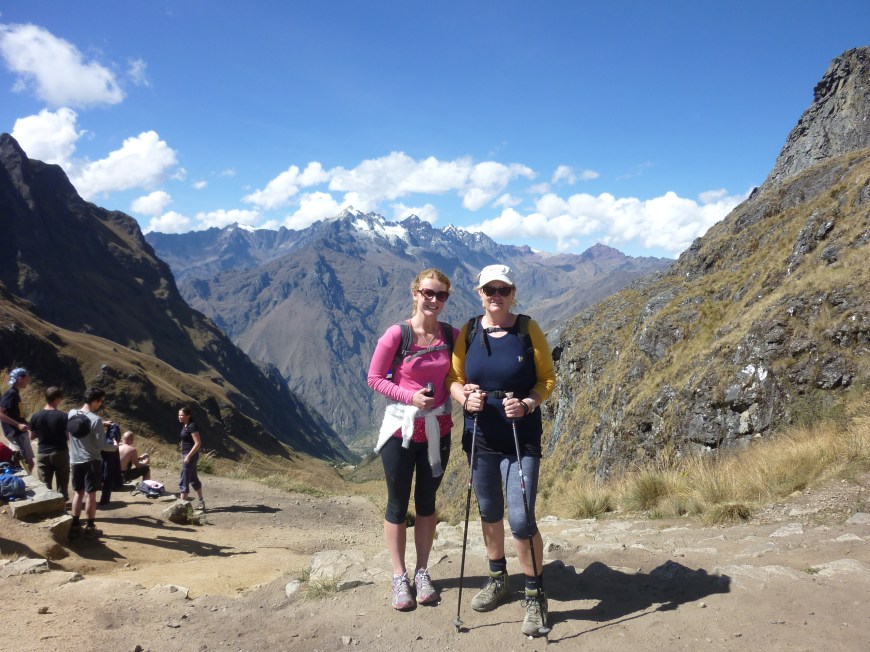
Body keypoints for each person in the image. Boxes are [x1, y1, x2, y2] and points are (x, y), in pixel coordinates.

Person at [447, 264, 557, 637]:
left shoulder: (528, 330)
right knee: (490, 511)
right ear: (479, 293)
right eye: (489, 290)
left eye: (502, 290)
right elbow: (454, 379)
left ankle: (535, 594)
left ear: (513, 293)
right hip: (480, 436)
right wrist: (466, 399)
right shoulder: (469, 331)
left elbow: (547, 380)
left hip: (520, 437)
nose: (496, 296)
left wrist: (527, 403)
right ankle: (498, 577)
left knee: (522, 519)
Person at [367, 268, 458, 611]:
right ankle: (398, 575)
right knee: (396, 503)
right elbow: (374, 378)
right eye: (428, 293)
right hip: (401, 431)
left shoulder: (451, 335)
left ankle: (422, 572)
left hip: (438, 429)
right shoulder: (397, 335)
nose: (434, 300)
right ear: (416, 293)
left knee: (426, 503)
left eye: (441, 295)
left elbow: (463, 370)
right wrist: (409, 397)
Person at [69, 387, 108, 539]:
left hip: (75, 459)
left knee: (78, 492)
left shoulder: (71, 413)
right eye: (100, 402)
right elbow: (100, 445)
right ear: (95, 401)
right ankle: (90, 526)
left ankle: (75, 524)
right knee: (91, 494)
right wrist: (114, 446)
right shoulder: (96, 420)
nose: (100, 404)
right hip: (91, 460)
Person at [28, 386, 70, 501]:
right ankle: (62, 504)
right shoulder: (63, 416)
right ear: (57, 399)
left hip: (43, 453)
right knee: (62, 482)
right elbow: (67, 436)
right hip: (60, 451)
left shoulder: (36, 416)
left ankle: (49, 508)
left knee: (45, 484)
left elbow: (31, 437)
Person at [0, 367, 34, 473]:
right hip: (15, 433)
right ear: (20, 379)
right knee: (25, 462)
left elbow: (14, 414)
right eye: (26, 378)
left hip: (17, 432)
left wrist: (27, 423)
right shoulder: (11, 394)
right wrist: (17, 425)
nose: (28, 381)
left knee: (24, 462)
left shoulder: (14, 393)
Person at [178, 406, 204, 510]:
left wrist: (188, 456)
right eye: (179, 415)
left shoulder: (192, 426)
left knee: (184, 479)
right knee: (193, 479)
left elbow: (198, 443)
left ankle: (181, 506)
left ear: (188, 416)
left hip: (190, 455)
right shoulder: (185, 425)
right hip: (187, 454)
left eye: (182, 415)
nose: (180, 417)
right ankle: (201, 501)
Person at [99, 420, 123, 505]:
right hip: (110, 459)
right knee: (108, 478)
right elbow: (114, 444)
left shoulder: (103, 437)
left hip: (101, 460)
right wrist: (116, 443)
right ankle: (104, 500)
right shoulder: (113, 438)